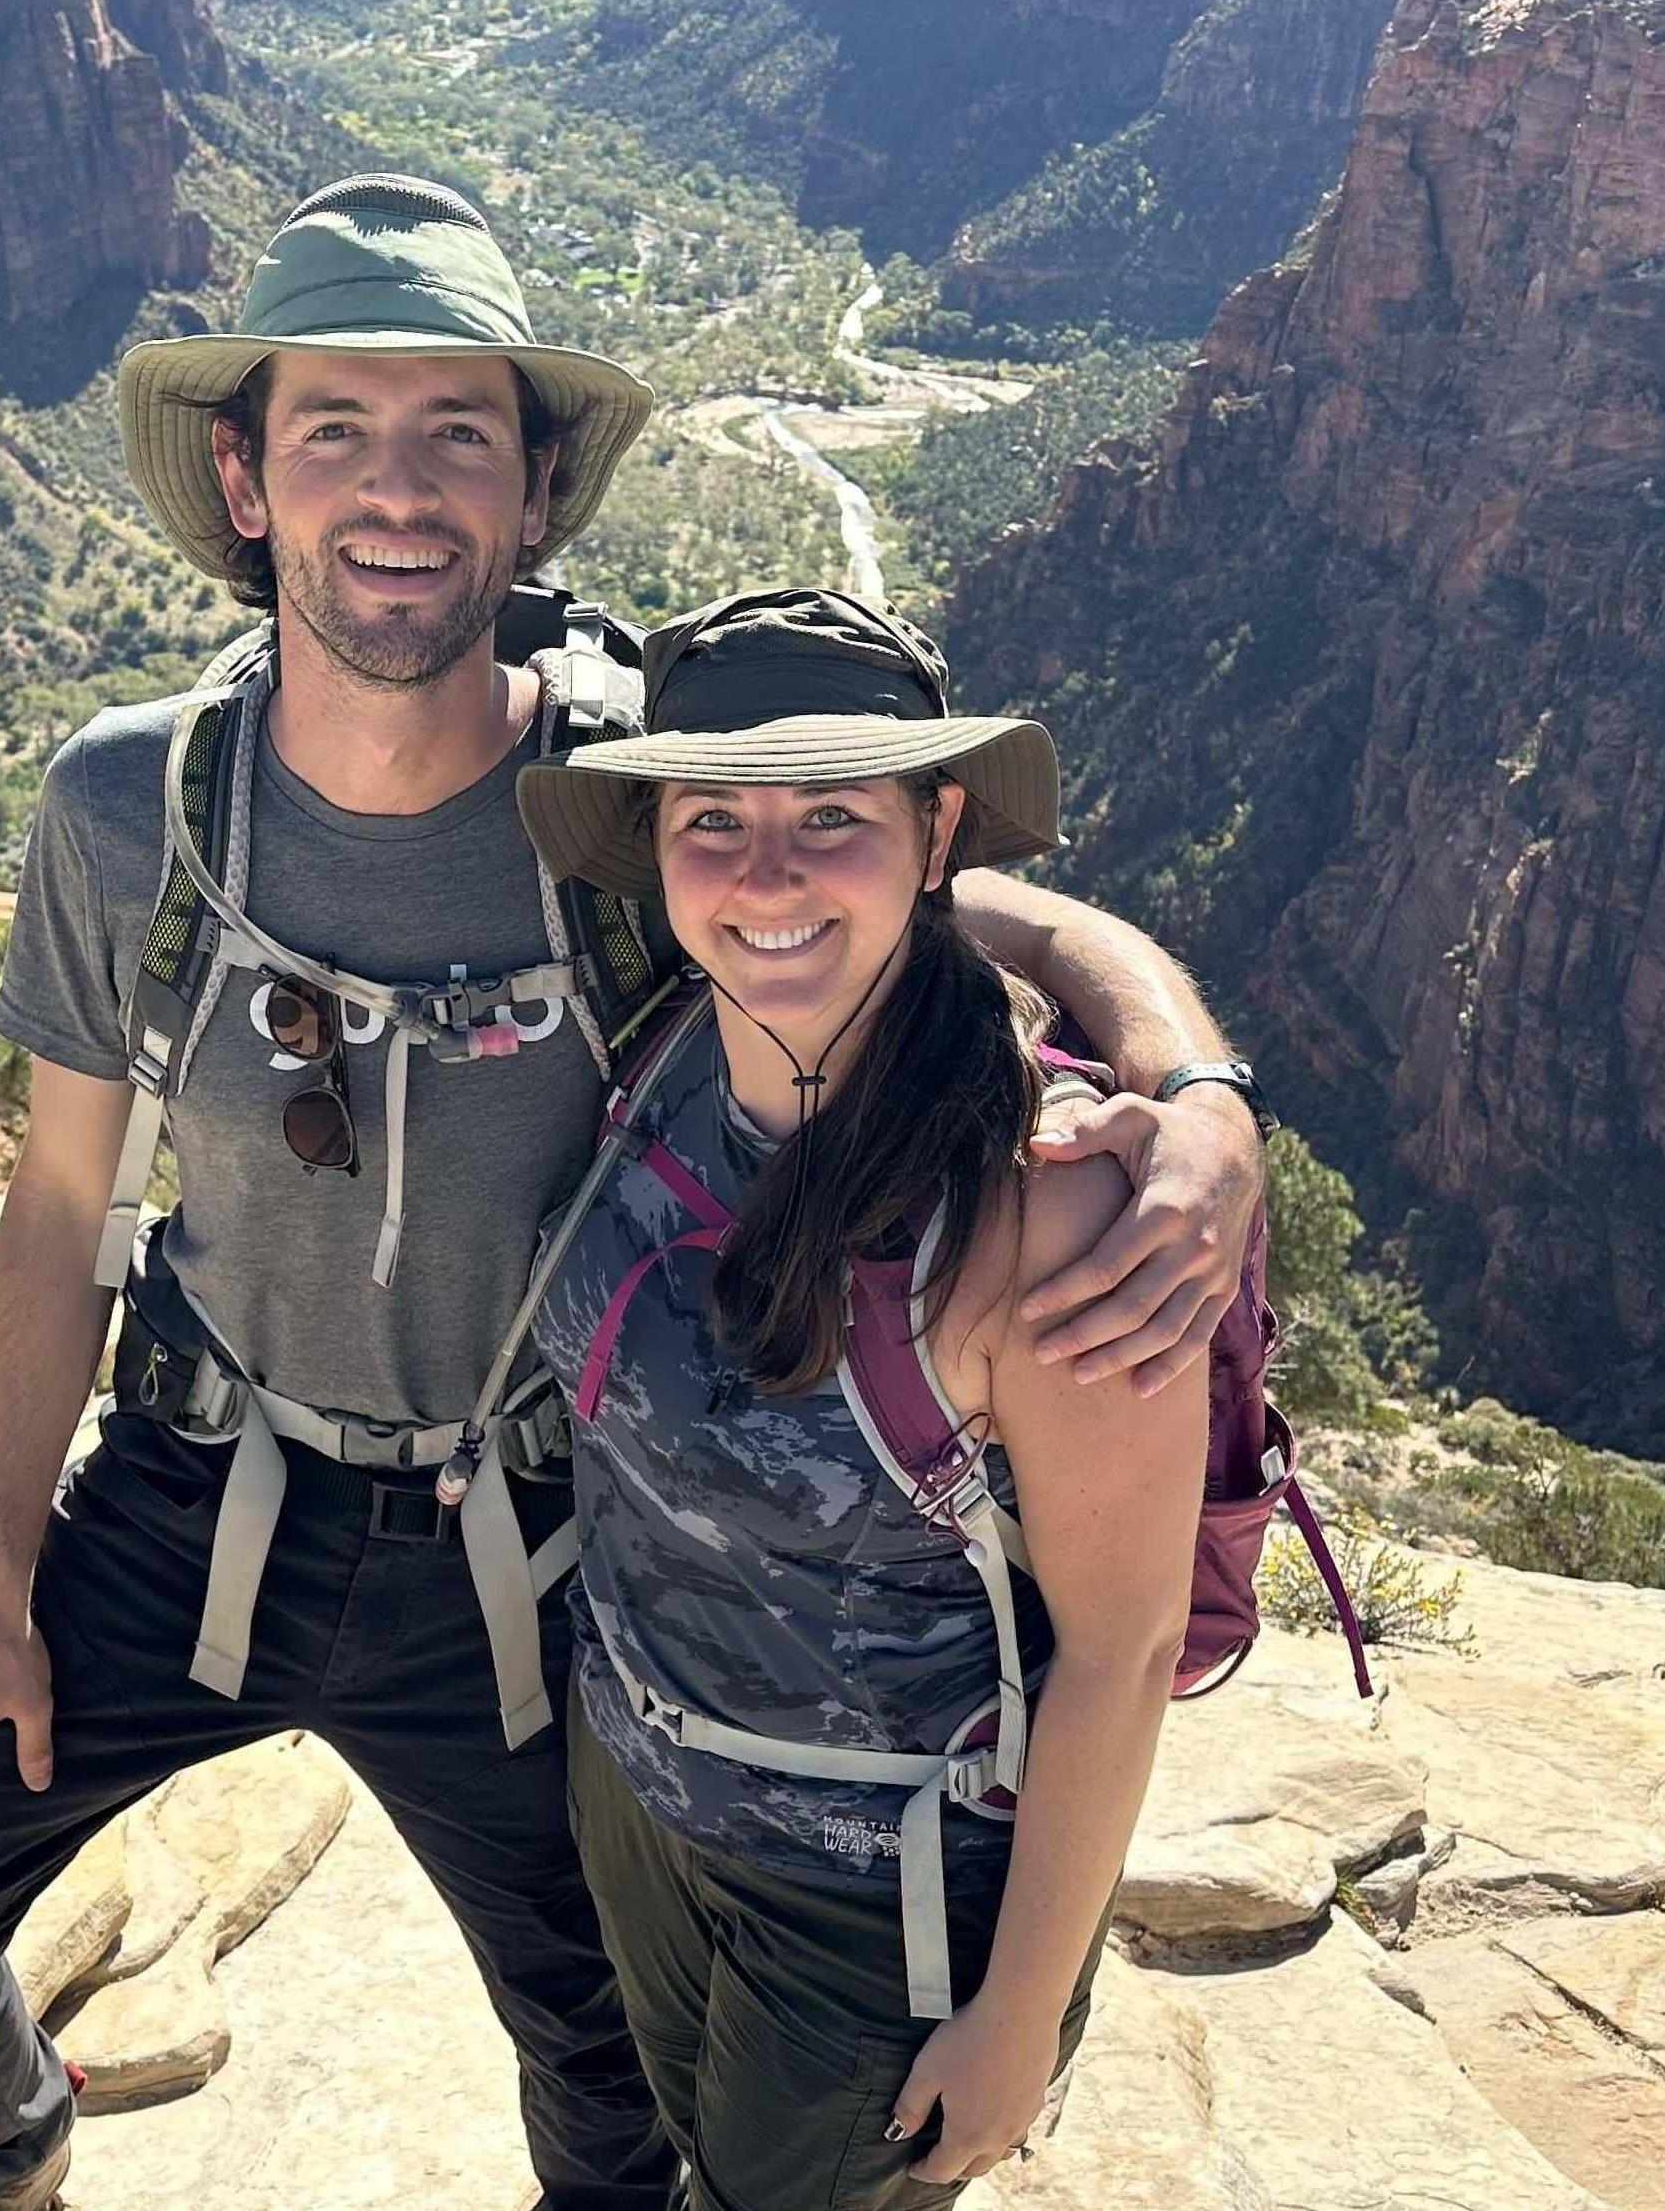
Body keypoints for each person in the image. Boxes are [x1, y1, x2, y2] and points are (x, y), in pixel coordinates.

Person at [0, 176, 1277, 2211]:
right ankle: (3, 2140)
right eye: (332, 431)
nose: (392, 493)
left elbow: (918, 878)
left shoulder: (624, 782)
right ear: (241, 473)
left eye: (453, 433)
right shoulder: (123, 802)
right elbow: (56, 1205)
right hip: (182, 1497)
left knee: (603, 2105)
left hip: (520, 1552)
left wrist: (1188, 1085)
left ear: (532, 484)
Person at [513, 589, 1208, 2206]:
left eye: (831, 813)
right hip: (634, 1787)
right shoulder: (677, 1024)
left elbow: (1122, 1649)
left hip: (873, 1900)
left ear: (930, 824)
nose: (764, 873)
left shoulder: (1044, 1211)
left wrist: (1017, 2013)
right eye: (714, 817)